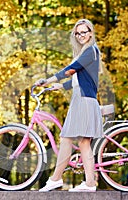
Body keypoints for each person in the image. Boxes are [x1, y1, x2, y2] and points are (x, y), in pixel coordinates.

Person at [35, 19, 103, 192]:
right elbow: (81, 79)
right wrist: (61, 86)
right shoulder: (86, 53)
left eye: (84, 32)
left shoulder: (91, 51)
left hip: (84, 101)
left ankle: (57, 179)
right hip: (81, 98)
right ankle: (86, 183)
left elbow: (70, 70)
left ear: (91, 32)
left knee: (78, 140)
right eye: (77, 33)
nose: (81, 35)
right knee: (77, 140)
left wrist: (47, 80)